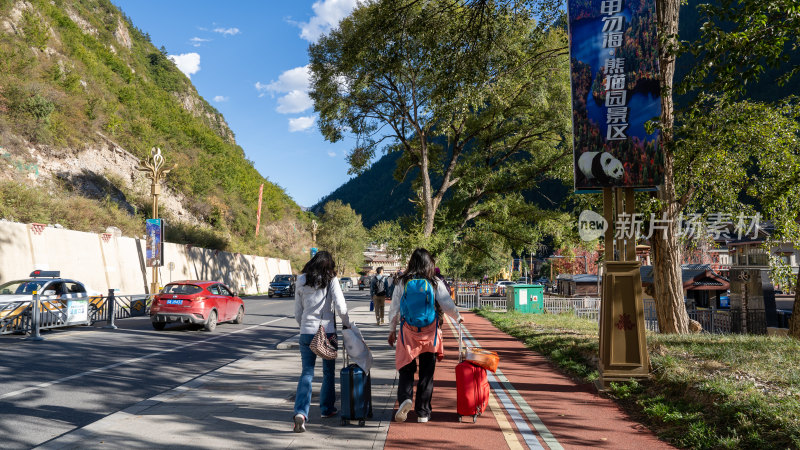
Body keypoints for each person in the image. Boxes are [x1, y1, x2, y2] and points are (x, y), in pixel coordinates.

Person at [388, 248, 462, 423]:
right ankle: (423, 412)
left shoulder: (402, 281)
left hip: (408, 332)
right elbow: (447, 304)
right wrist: (458, 317)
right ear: (429, 264)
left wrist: (392, 330)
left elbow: (395, 309)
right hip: (430, 333)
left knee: (406, 368)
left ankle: (405, 398)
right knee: (427, 373)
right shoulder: (434, 281)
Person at [293, 250, 351, 433]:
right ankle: (326, 409)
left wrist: (305, 326)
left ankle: (301, 413)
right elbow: (341, 307)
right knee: (328, 373)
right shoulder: (331, 279)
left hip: (306, 332)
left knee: (307, 373)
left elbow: (297, 313)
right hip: (327, 332)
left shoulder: (301, 280)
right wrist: (348, 324)